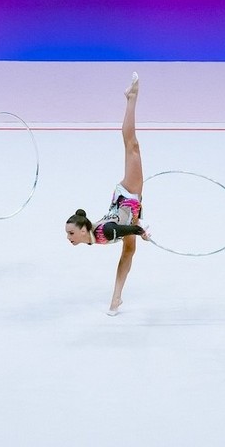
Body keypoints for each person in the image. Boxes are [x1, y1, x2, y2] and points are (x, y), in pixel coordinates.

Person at [65, 72, 150, 316]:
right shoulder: (94, 236)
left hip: (128, 197)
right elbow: (126, 230)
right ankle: (116, 298)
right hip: (128, 208)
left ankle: (131, 98)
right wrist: (139, 222)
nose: (69, 238)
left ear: (83, 230)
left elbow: (123, 231)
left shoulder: (103, 232)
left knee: (132, 145)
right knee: (129, 250)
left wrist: (140, 229)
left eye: (71, 233)